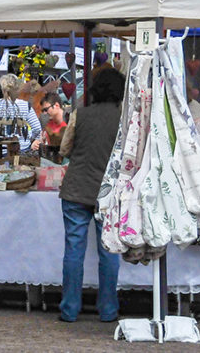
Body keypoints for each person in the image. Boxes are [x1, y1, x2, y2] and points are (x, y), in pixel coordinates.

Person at [58, 67, 124, 323]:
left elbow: (65, 148)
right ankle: (108, 310)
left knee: (74, 250)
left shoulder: (80, 114)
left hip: (75, 188)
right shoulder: (124, 119)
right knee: (109, 251)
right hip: (109, 193)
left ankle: (69, 309)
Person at [0, 74, 41, 152]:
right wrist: (30, 139)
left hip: (0, 150)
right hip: (23, 149)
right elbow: (37, 128)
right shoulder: (25, 105)